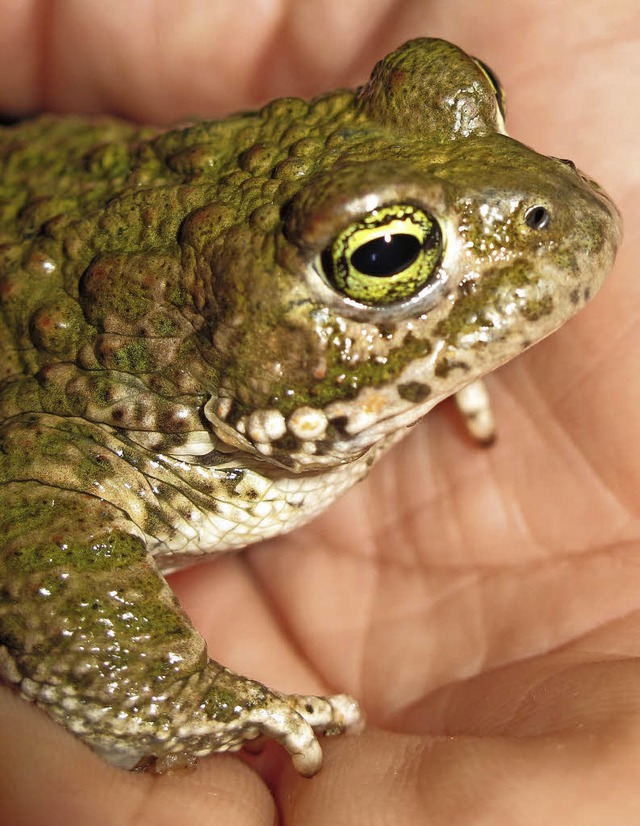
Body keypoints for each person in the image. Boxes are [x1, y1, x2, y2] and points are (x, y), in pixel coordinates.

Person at [1, 2, 637, 823]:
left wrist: (434, 356)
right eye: (389, 255)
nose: (540, 193)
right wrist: (160, 685)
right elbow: (27, 515)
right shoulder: (126, 421)